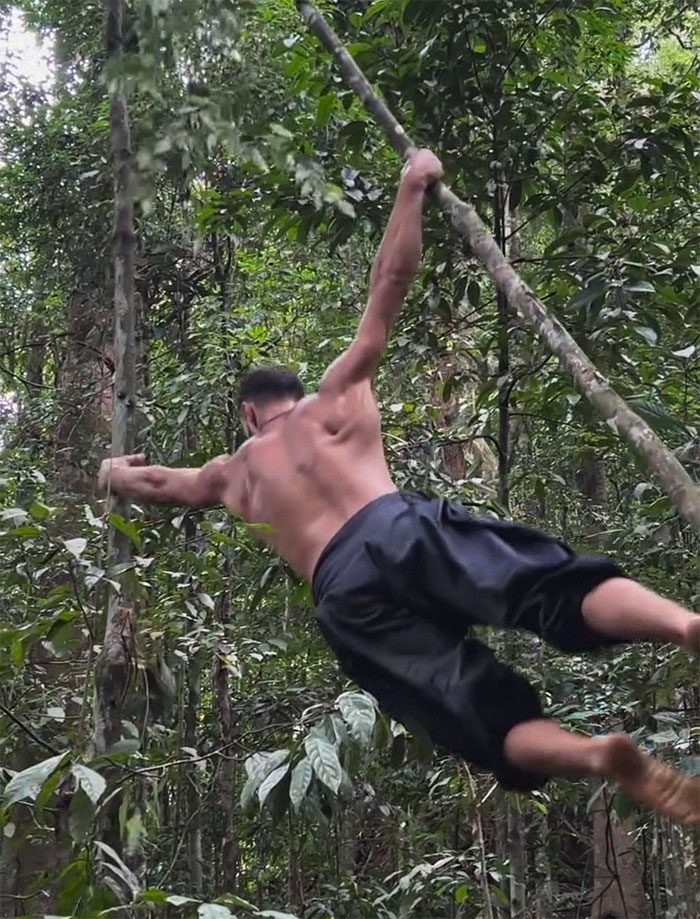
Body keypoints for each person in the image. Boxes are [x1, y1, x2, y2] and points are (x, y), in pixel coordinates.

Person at [99, 149, 700, 823]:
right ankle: (684, 624)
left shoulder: (234, 471)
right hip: (397, 526)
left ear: (248, 413)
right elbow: (390, 280)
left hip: (344, 594)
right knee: (549, 585)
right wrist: (413, 183)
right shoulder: (338, 398)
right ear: (296, 393)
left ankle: (596, 754)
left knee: (479, 714)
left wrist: (114, 472)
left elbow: (159, 482)